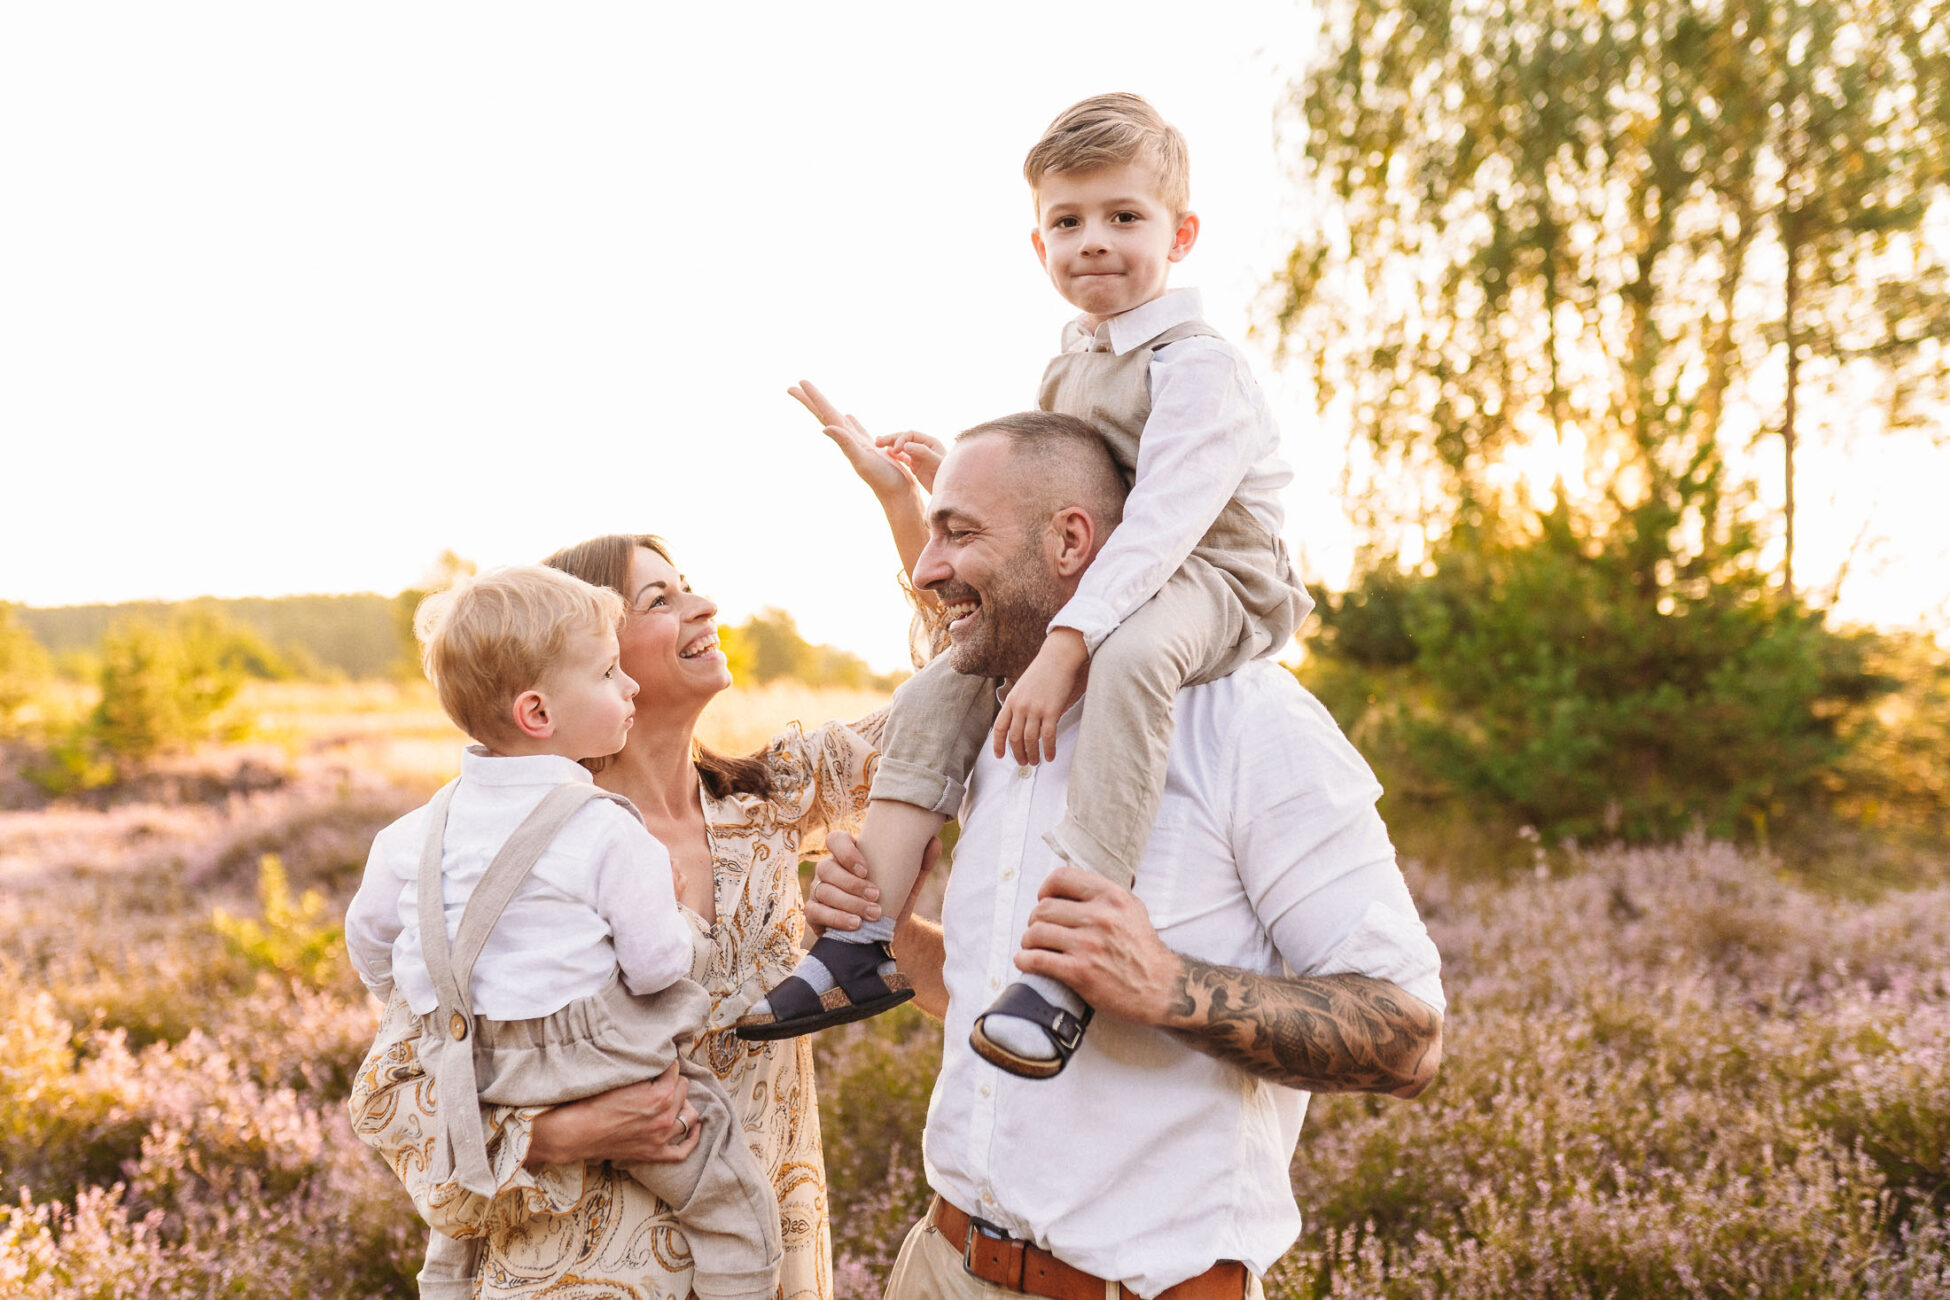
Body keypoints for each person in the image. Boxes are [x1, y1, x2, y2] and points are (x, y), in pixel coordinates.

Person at [802, 414, 1445, 1299]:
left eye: (960, 532)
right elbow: (992, 987)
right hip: (940, 1266)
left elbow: (1409, 1038)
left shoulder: (1250, 724)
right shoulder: (993, 720)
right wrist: (893, 936)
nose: (927, 568)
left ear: (1071, 541)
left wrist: (1167, 987)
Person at [743, 92, 1313, 1079]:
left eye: (1124, 216)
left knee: (1133, 657)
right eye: (1068, 220)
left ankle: (1069, 960)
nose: (1094, 241)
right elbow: (1061, 504)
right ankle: (862, 938)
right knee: (945, 681)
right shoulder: (1070, 365)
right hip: (1119, 569)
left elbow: (1162, 526)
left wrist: (1066, 646)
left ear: (1179, 235)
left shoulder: (1198, 368)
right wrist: (950, 492)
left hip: (1217, 574)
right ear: (1038, 242)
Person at [348, 521, 920, 1300]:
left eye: (688, 587)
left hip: (770, 1267)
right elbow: (390, 1101)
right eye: (660, 599)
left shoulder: (772, 803)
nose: (704, 606)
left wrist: (904, 507)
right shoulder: (504, 855)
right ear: (565, 663)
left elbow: (957, 695)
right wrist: (556, 1133)